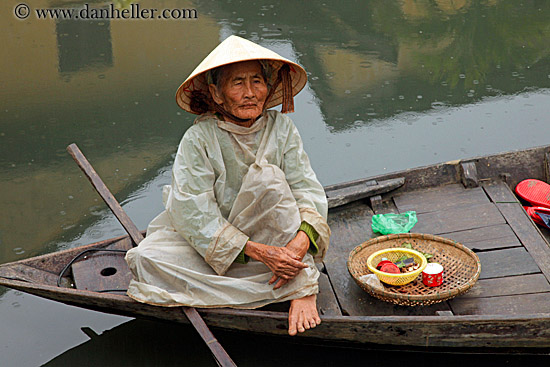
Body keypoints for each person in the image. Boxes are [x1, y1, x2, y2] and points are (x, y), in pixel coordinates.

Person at [125, 36, 331, 336]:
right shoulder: (199, 140)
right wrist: (261, 254)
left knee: (270, 181)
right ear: (217, 94)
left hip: (280, 239)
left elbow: (307, 191)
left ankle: (300, 286)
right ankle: (270, 283)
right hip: (231, 248)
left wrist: (296, 249)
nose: (250, 93)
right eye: (237, 83)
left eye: (257, 81)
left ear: (268, 87)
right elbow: (194, 213)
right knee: (146, 260)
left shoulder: (281, 128)